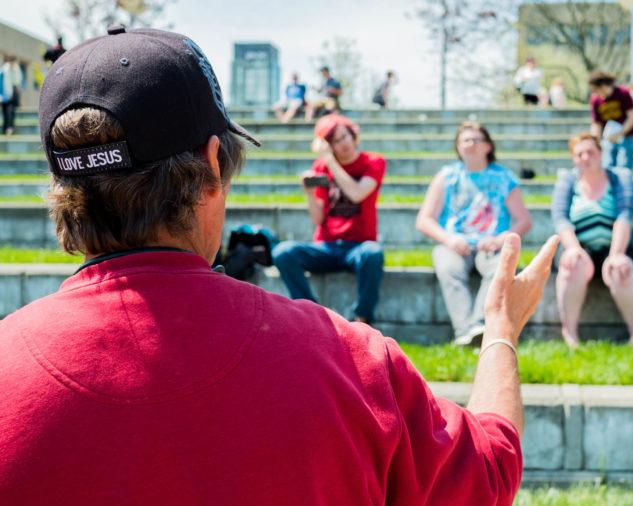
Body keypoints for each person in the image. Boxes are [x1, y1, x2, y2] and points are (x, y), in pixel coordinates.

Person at [0, 27, 561, 504]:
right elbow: (489, 471)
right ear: (213, 164)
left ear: (61, 189)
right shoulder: (353, 363)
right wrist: (502, 332)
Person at [416, 121, 533, 346]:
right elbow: (424, 220)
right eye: (464, 140)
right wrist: (450, 239)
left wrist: (501, 239)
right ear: (458, 147)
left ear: (488, 146)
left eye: (475, 139)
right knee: (448, 267)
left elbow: (524, 220)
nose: (470, 144)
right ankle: (465, 331)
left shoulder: (504, 178)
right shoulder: (447, 176)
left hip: (492, 244)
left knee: (500, 266)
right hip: (455, 243)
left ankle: (479, 325)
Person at [272, 114, 385, 324]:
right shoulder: (321, 167)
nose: (344, 144)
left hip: (358, 247)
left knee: (373, 253)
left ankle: (362, 318)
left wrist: (330, 161)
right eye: (336, 142)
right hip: (326, 246)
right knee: (283, 252)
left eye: (345, 137)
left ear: (353, 135)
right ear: (328, 146)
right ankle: (313, 314)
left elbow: (357, 193)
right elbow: (318, 218)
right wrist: (308, 192)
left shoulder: (373, 162)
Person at [552, 133, 633, 349]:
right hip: (580, 247)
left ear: (600, 154)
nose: (585, 157)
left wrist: (616, 254)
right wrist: (573, 249)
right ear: (573, 158)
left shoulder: (620, 177)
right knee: (571, 264)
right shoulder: (567, 180)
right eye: (579, 154)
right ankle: (570, 334)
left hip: (618, 245)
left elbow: (624, 216)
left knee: (621, 268)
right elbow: (560, 218)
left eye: (590, 152)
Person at [588, 71, 633, 171]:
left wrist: (620, 133)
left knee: (624, 165)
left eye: (596, 90)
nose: (595, 93)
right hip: (608, 137)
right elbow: (596, 123)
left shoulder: (623, 93)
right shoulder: (596, 100)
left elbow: (632, 117)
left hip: (627, 135)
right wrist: (595, 140)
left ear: (603, 86)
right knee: (607, 165)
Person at [0, 55, 22, 135]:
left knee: (12, 111)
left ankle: (10, 128)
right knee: (5, 112)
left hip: (13, 93)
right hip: (5, 94)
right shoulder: (3, 70)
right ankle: (5, 129)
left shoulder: (16, 69)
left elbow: (17, 82)